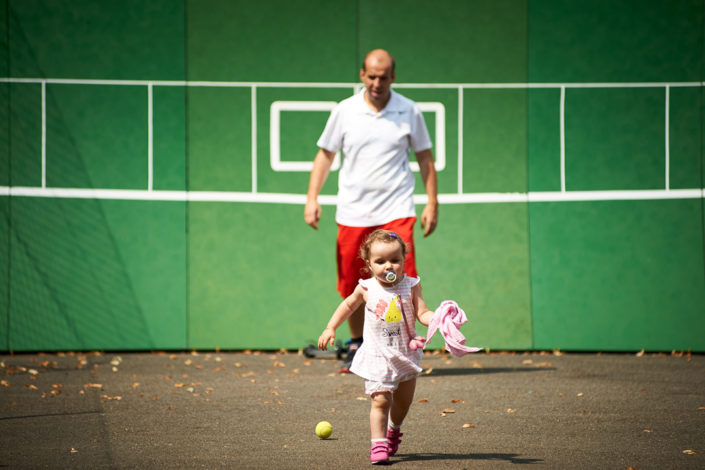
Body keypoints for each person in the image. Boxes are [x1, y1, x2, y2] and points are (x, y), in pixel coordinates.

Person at [305, 48, 438, 372]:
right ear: (362, 76)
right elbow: (325, 155)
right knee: (355, 283)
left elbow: (424, 157)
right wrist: (312, 198)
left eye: (384, 76)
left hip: (397, 209)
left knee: (401, 280)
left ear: (393, 77)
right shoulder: (345, 111)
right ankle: (359, 345)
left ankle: (406, 346)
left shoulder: (409, 111)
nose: (378, 83)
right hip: (353, 212)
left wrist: (432, 202)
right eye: (372, 76)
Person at [318, 230, 434, 465]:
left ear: (404, 260)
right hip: (378, 356)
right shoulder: (366, 288)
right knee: (380, 401)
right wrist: (331, 327)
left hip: (405, 353)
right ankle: (378, 444)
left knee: (403, 403)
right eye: (380, 261)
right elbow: (348, 306)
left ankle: (394, 429)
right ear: (369, 264)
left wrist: (438, 318)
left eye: (395, 260)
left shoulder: (412, 285)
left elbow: (422, 313)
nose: (388, 266)